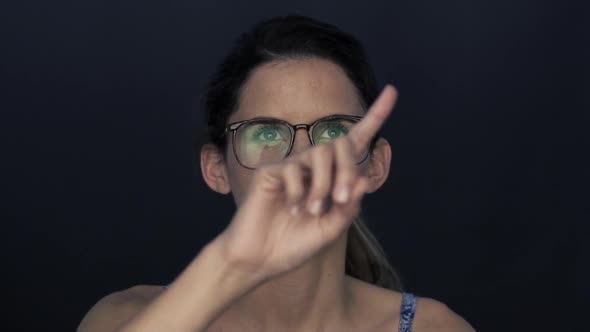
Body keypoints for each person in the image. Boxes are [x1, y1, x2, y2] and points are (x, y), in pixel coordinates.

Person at [77, 14, 475, 332]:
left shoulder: (434, 328)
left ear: (376, 164)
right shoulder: (122, 319)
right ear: (216, 168)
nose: (302, 159)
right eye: (266, 133)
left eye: (334, 131)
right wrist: (233, 264)